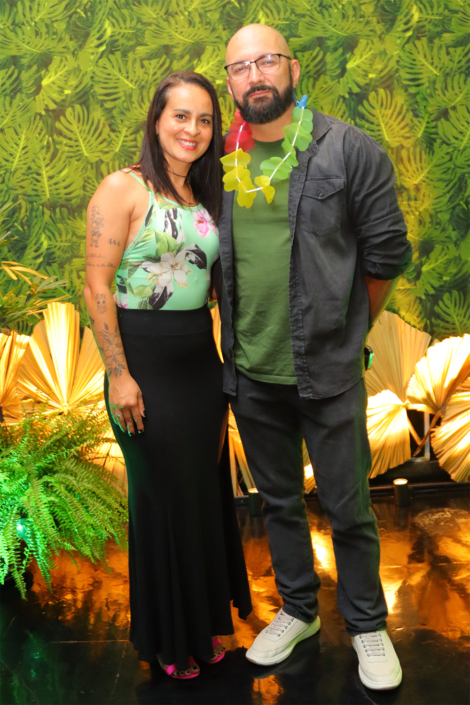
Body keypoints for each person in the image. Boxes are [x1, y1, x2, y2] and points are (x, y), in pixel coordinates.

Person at [217, 25, 412, 690]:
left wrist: (348, 325)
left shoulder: (348, 149)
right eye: (240, 66)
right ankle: (299, 610)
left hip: (327, 369)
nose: (255, 75)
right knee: (277, 501)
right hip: (250, 370)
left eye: (266, 60)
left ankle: (366, 624)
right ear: (230, 83)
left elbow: (386, 253)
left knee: (348, 505)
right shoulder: (222, 159)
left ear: (293, 69)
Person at [84, 71, 251, 680]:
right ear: (157, 120)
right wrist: (119, 375)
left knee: (200, 496)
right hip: (143, 363)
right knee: (162, 501)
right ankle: (167, 639)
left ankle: (202, 626)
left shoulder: (206, 196)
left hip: (199, 365)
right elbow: (96, 284)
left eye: (205, 119)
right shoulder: (123, 188)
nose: (193, 129)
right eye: (181, 116)